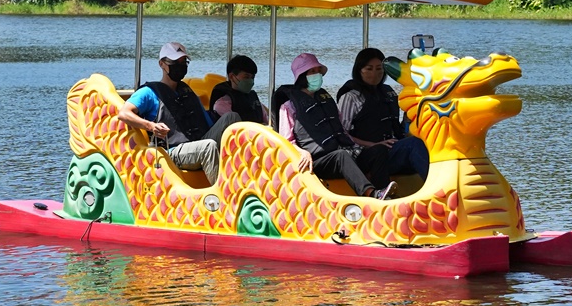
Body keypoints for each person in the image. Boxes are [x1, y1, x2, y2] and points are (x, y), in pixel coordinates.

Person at [272, 52, 395, 199]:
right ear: (302, 76)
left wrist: (374, 144)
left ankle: (385, 195)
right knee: (341, 156)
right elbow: (286, 141)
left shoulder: (326, 101)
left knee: (378, 151)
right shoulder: (289, 106)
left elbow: (343, 133)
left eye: (318, 71)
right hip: (316, 160)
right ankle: (372, 194)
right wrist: (302, 152)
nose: (317, 75)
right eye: (312, 72)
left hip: (345, 152)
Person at [118, 42, 243, 184]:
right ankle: (222, 197)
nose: (180, 65)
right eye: (174, 62)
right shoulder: (149, 92)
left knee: (232, 117)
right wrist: (151, 126)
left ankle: (240, 178)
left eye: (183, 62)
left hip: (197, 141)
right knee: (208, 147)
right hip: (171, 150)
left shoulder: (187, 91)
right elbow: (124, 113)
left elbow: (207, 121)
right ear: (162, 64)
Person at [337, 47, 429, 181]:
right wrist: (372, 145)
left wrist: (408, 119)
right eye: (369, 69)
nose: (375, 74)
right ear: (359, 70)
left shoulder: (388, 93)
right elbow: (341, 133)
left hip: (392, 150)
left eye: (379, 69)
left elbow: (398, 129)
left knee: (424, 141)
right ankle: (442, 190)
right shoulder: (351, 97)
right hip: (368, 155)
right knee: (413, 145)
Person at [208, 54, 269, 124]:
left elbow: (267, 122)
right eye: (246, 77)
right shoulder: (222, 104)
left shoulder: (254, 101)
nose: (250, 81)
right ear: (232, 76)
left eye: (252, 77)